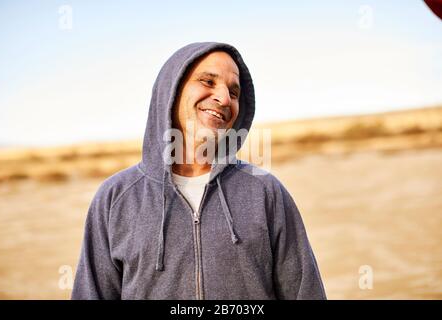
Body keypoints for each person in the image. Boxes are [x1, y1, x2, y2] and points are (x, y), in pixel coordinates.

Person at [71, 42, 326, 300]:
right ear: (171, 90)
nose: (224, 98)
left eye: (234, 92)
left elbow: (306, 293)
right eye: (207, 81)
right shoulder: (115, 199)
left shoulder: (265, 192)